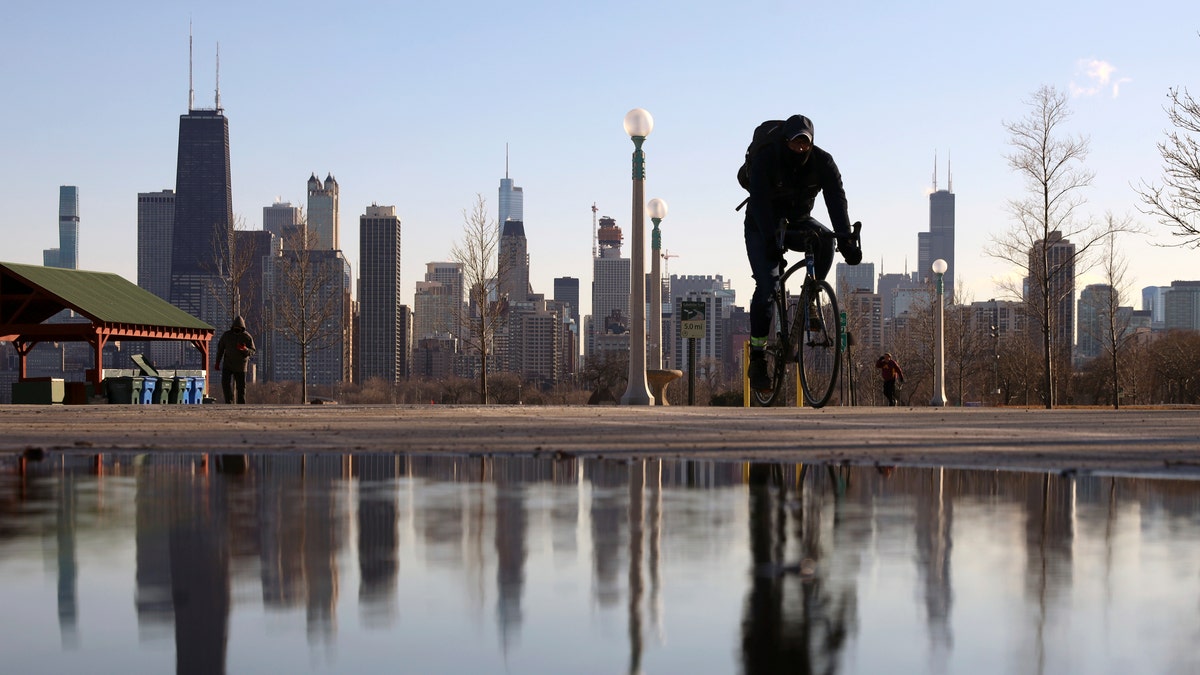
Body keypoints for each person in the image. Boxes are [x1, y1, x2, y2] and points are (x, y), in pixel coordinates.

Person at [743, 114, 862, 391]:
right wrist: (771, 238)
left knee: (825, 241)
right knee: (767, 287)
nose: (799, 149)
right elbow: (759, 202)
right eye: (795, 143)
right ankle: (758, 357)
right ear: (785, 141)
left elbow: (836, 201)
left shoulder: (824, 162)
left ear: (811, 143)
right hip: (762, 224)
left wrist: (846, 241)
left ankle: (810, 297)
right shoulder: (767, 158)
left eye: (804, 144)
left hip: (798, 220)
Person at [216, 315, 256, 404]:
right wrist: (217, 362)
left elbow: (253, 351)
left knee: (241, 387)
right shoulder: (226, 336)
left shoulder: (247, 337)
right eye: (235, 328)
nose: (237, 330)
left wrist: (245, 349)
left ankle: (241, 403)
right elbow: (220, 349)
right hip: (228, 364)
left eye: (239, 329)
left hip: (241, 366)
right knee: (225, 384)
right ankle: (228, 401)